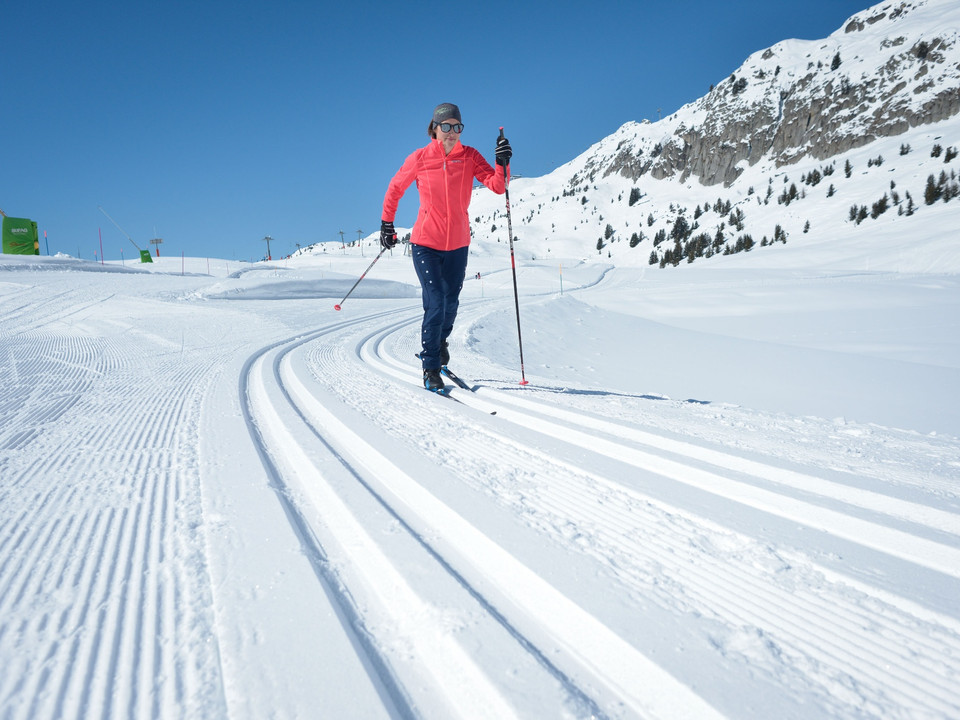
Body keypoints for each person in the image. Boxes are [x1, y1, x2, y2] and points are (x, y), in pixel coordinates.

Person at [380, 102, 512, 392]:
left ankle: (440, 342)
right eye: (446, 127)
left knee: (451, 303)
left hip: (458, 244)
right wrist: (387, 223)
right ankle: (429, 367)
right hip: (426, 243)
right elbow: (395, 188)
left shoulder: (470, 156)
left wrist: (502, 162)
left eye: (457, 127)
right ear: (435, 128)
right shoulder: (420, 158)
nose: (452, 132)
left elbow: (497, 186)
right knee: (436, 299)